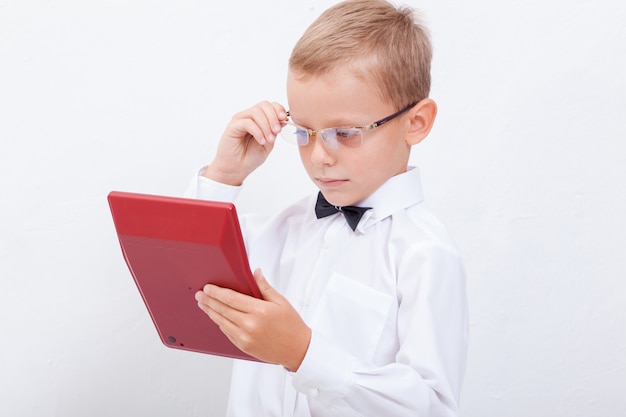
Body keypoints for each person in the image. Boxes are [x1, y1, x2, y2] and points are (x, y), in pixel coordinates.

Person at [189, 0, 468, 415]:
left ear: (416, 122)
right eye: (303, 132)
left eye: (345, 132)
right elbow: (185, 278)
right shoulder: (283, 230)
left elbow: (431, 406)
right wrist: (223, 175)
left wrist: (304, 352)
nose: (319, 155)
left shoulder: (424, 254)